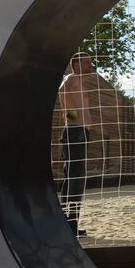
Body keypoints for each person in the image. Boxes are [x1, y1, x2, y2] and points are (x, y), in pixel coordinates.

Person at [57, 52, 99, 197]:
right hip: (75, 131)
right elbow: (63, 91)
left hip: (80, 131)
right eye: (86, 62)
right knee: (75, 174)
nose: (90, 65)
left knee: (77, 173)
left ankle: (71, 209)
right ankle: (70, 209)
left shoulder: (78, 83)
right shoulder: (72, 77)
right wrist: (74, 117)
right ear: (76, 64)